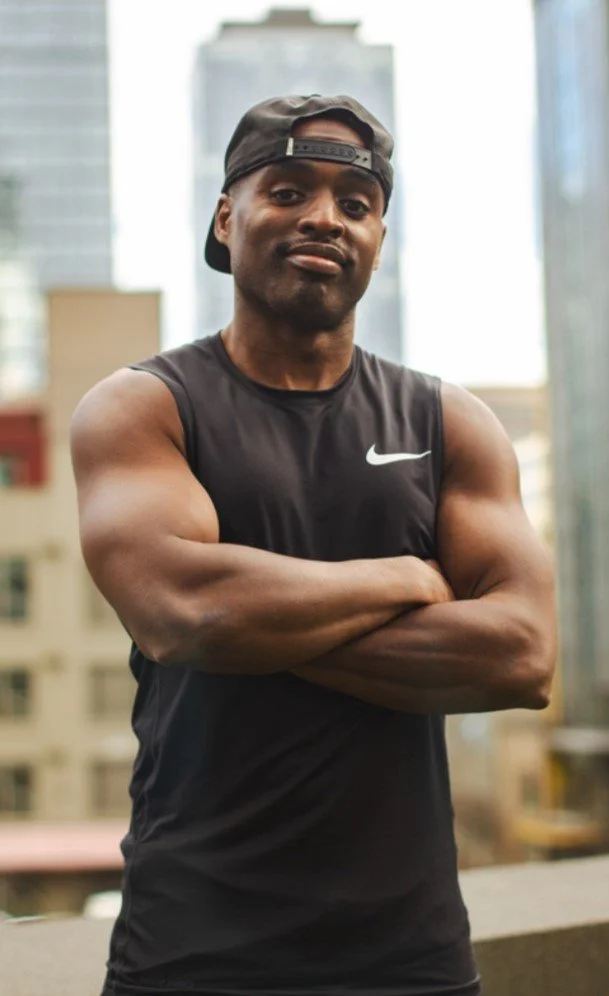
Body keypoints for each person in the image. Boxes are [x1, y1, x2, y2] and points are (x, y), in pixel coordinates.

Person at [71, 94, 556, 996]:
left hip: (409, 955)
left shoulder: (449, 422)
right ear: (227, 217)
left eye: (355, 202)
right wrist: (409, 577)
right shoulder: (145, 407)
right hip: (193, 950)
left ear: (377, 238)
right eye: (287, 190)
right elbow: (185, 611)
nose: (324, 217)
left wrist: (256, 627)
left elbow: (520, 657)